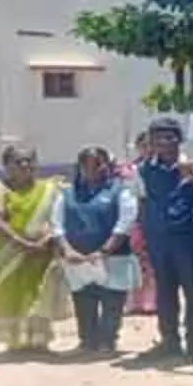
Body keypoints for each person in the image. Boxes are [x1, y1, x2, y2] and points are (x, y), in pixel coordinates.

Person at [135, 116, 193, 360]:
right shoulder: (143, 170)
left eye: (169, 137)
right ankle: (169, 342)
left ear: (179, 140)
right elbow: (141, 202)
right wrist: (146, 235)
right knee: (165, 293)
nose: (163, 143)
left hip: (190, 240)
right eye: (157, 138)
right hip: (159, 240)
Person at [0, 145, 67, 352]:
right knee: (11, 294)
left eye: (29, 161)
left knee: (38, 294)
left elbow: (58, 217)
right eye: (18, 162)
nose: (25, 165)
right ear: (6, 165)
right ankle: (15, 341)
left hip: (41, 253)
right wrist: (22, 243)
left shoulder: (48, 190)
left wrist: (47, 239)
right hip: (6, 255)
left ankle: (38, 340)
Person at [52, 145, 139, 356]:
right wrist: (67, 250)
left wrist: (103, 251)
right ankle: (87, 341)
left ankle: (108, 342)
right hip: (77, 258)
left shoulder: (121, 191)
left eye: (97, 164)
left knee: (112, 301)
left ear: (107, 166)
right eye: (86, 164)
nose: (91, 169)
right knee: (83, 300)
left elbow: (124, 224)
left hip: (112, 258)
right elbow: (57, 225)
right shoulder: (67, 193)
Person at [122, 133, 157, 316]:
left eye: (151, 145)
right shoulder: (131, 169)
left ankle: (152, 302)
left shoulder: (163, 167)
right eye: (144, 145)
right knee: (136, 263)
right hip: (137, 220)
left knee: (153, 264)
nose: (148, 149)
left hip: (157, 219)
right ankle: (134, 302)